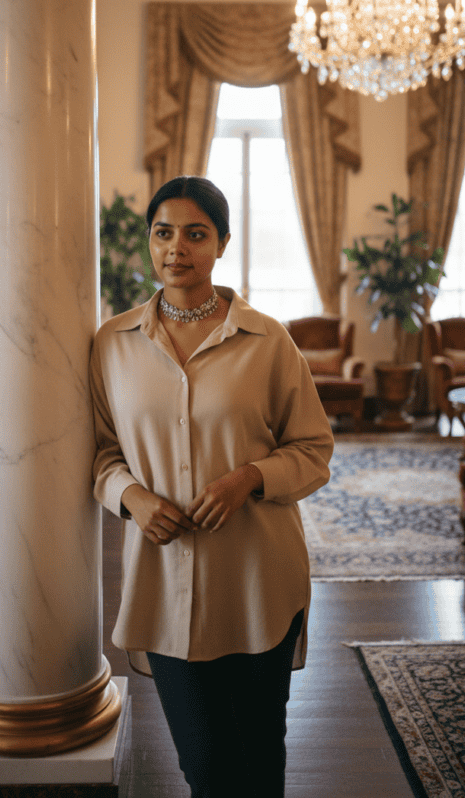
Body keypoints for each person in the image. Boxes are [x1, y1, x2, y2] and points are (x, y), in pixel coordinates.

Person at [90, 175, 333, 798]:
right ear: (149, 242)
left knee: (259, 763)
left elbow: (313, 449)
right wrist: (132, 498)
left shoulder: (268, 340)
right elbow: (100, 452)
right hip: (163, 589)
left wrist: (250, 478)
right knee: (205, 770)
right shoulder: (111, 345)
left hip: (259, 581)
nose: (177, 248)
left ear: (221, 244)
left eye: (196, 234)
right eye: (163, 233)